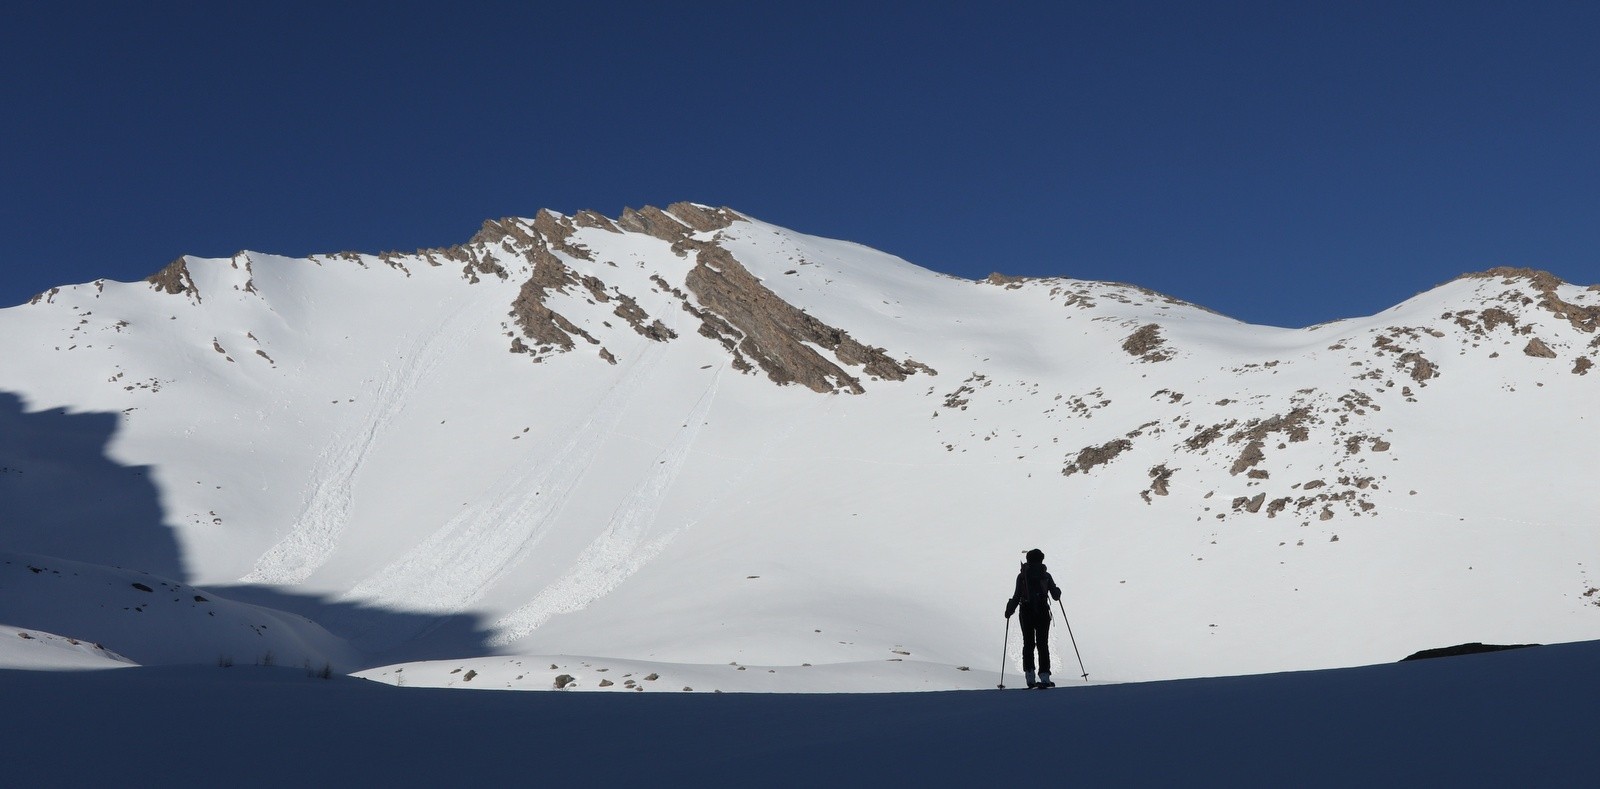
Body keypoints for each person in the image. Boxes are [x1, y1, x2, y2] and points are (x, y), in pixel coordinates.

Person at [1005, 548, 1061, 688]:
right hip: (1042, 612)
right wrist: (1057, 591)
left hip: (1026, 612)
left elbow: (1017, 595)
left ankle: (1030, 676)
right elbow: (1055, 596)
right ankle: (1045, 677)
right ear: (1041, 560)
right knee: (1043, 644)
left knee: (1028, 643)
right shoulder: (1046, 575)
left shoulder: (1022, 576)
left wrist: (1009, 610)